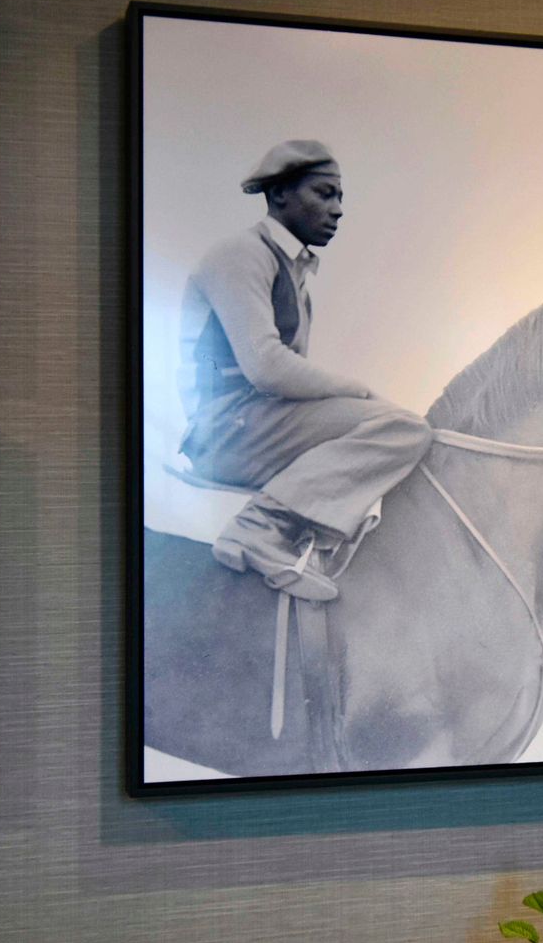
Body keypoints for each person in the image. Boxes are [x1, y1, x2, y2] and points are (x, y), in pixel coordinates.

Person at [177, 140, 432, 600]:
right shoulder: (242, 254)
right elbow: (268, 368)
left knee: (404, 429)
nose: (337, 210)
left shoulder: (296, 273)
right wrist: (360, 393)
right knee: (402, 429)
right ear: (279, 196)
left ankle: (310, 542)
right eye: (324, 193)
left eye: (340, 198)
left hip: (254, 424)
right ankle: (259, 527)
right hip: (226, 430)